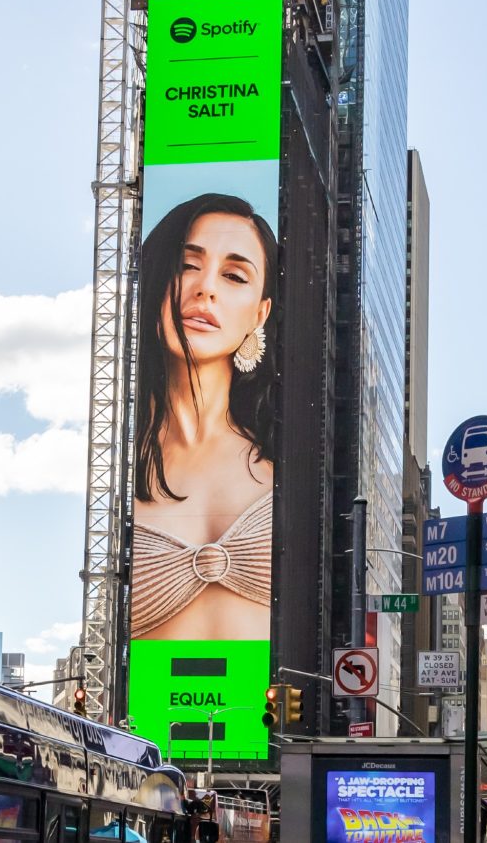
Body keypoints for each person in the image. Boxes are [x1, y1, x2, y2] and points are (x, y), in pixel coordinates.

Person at [131, 193, 276, 641]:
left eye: (233, 275)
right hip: (143, 708)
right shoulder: (115, 469)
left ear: (260, 313)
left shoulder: (285, 462)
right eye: (187, 265)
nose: (205, 288)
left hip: (269, 708)